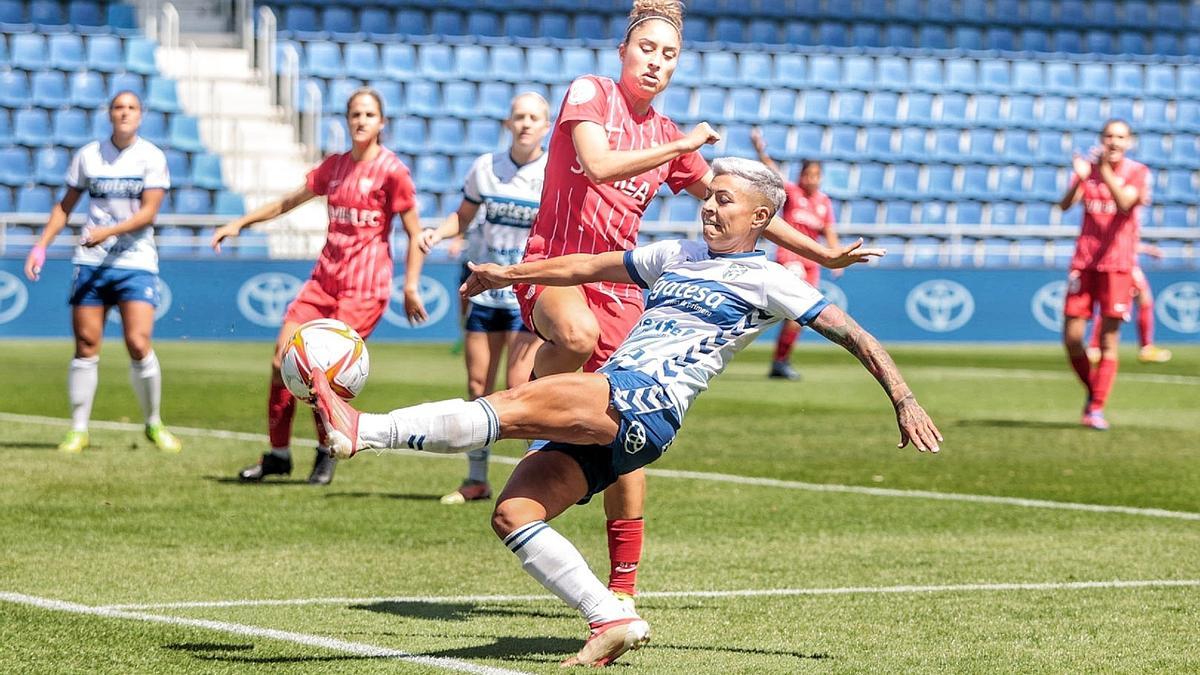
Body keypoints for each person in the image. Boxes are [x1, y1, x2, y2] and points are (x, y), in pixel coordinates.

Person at [309, 158, 942, 667]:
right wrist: (507, 272)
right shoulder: (677, 255)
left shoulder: (772, 279)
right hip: (624, 409)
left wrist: (904, 397)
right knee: (514, 513)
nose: (710, 205)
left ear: (763, 216)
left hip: (645, 399)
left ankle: (362, 431)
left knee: (516, 399)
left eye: (725, 199)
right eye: (709, 194)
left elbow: (854, 333)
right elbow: (585, 264)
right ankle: (610, 617)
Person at [515, 0, 884, 606]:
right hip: (558, 264)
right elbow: (599, 166)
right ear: (623, 52)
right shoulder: (592, 94)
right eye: (647, 49)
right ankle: (526, 409)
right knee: (575, 337)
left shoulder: (667, 136)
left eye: (670, 54)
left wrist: (823, 255)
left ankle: (624, 588)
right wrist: (681, 144)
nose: (656, 62)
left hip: (623, 286)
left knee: (624, 439)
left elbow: (743, 205)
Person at [210, 88, 427, 483]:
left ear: (381, 123)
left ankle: (328, 449)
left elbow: (415, 233)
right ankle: (278, 454)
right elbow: (289, 202)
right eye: (354, 114)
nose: (361, 121)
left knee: (319, 371)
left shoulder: (393, 171)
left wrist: (411, 284)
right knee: (281, 363)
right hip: (322, 281)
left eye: (369, 114)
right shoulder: (336, 167)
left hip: (365, 287)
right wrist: (241, 223)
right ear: (347, 120)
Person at [23, 91, 182, 454]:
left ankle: (153, 422)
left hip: (135, 261)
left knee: (138, 343)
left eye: (131, 108)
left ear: (140, 116)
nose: (124, 113)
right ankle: (78, 429)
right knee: (86, 346)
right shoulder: (88, 156)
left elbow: (148, 213)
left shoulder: (151, 157)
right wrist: (41, 245)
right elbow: (65, 207)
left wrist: (106, 233)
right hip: (91, 262)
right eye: (118, 107)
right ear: (109, 114)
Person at [419, 92, 551, 504]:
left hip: (527, 294)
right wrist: (438, 233)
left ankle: (543, 478)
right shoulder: (486, 168)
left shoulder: (553, 172)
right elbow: (464, 214)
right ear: (508, 124)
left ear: (546, 127)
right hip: (485, 290)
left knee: (519, 387)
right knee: (479, 386)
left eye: (534, 117)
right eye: (519, 117)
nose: (526, 123)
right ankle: (477, 479)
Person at [1057, 119, 1151, 431]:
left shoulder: (1137, 172)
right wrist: (1079, 180)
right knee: (1072, 339)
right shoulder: (1088, 170)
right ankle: (1095, 389)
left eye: (1120, 137)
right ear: (1101, 138)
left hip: (1118, 265)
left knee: (1108, 338)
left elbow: (1125, 204)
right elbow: (1064, 206)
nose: (1114, 141)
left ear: (1129, 142)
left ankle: (1095, 408)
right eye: (1109, 135)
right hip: (1084, 263)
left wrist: (1103, 171)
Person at [751, 128, 842, 380]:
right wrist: (761, 151)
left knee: (798, 316)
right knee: (795, 311)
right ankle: (779, 361)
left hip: (812, 263)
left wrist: (837, 257)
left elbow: (829, 230)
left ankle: (781, 361)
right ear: (801, 175)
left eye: (816, 175)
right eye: (808, 174)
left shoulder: (824, 202)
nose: (812, 179)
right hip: (790, 257)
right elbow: (773, 173)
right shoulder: (793, 193)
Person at [1086, 243, 1172, 364]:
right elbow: (1119, 241)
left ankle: (1095, 348)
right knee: (1114, 307)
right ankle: (1095, 347)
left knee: (1140, 301)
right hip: (1121, 263)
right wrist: (1149, 249)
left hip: (1124, 262)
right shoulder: (1122, 225)